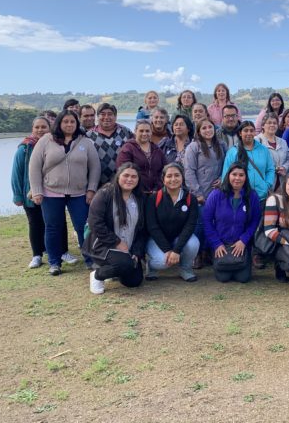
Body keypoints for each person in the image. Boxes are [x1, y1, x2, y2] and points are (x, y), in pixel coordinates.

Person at [29, 109, 101, 276]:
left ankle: (90, 259)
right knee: (53, 227)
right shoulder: (46, 140)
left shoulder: (85, 142)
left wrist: (91, 189)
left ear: (77, 123)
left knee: (83, 226)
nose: (69, 125)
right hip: (51, 192)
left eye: (72, 122)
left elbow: (95, 167)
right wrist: (37, 191)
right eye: (65, 121)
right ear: (59, 123)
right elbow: (34, 166)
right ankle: (54, 262)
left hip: (79, 193)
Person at [12, 116, 72, 269]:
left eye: (43, 127)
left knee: (58, 222)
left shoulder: (55, 144)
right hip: (31, 193)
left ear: (50, 128)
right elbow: (16, 173)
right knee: (35, 223)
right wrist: (17, 195)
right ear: (32, 129)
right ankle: (37, 255)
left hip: (52, 192)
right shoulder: (25, 148)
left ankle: (63, 251)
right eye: (37, 127)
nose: (40, 130)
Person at [83, 163, 146, 294]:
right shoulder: (104, 194)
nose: (129, 179)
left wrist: (136, 251)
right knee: (124, 264)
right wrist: (117, 242)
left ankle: (116, 269)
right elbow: (96, 223)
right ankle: (97, 275)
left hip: (128, 247)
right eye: (126, 175)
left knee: (134, 281)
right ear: (118, 176)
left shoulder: (140, 198)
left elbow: (142, 229)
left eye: (134, 176)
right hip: (103, 245)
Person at [202, 163, 262, 283]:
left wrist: (244, 240)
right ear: (228, 176)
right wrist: (216, 243)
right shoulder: (216, 195)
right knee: (223, 278)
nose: (237, 178)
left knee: (243, 278)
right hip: (221, 244)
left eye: (241, 175)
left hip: (241, 243)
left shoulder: (252, 196)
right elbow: (206, 221)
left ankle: (245, 262)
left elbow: (255, 221)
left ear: (246, 177)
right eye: (234, 174)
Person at [144, 163, 200, 282]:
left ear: (182, 177)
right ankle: (151, 266)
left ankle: (185, 269)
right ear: (163, 179)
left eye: (177, 175)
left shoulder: (191, 199)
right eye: (169, 176)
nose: (173, 179)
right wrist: (167, 250)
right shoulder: (154, 198)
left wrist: (177, 250)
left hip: (177, 238)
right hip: (156, 239)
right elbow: (152, 227)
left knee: (193, 244)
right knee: (163, 262)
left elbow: (190, 226)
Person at [184, 118, 227, 268]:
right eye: (204, 128)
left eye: (210, 127)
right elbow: (189, 171)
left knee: (216, 223)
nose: (208, 130)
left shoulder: (221, 145)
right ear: (198, 131)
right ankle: (197, 254)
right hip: (200, 193)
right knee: (200, 224)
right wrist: (197, 193)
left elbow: (226, 166)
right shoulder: (193, 147)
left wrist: (222, 179)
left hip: (217, 193)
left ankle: (209, 251)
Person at [86, 103, 133, 186]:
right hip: (97, 183)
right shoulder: (89, 135)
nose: (106, 117)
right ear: (97, 117)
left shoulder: (126, 132)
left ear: (115, 116)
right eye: (103, 114)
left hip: (123, 183)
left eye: (110, 114)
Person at [116, 119, 167, 195]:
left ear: (151, 132)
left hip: (156, 193)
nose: (144, 133)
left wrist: (157, 187)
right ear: (135, 131)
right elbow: (123, 172)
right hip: (135, 192)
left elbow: (164, 170)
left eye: (147, 131)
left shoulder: (157, 150)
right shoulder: (128, 149)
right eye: (141, 131)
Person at [255, 112, 289, 190]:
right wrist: (274, 168)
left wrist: (284, 168)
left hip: (281, 183)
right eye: (269, 123)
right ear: (263, 125)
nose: (272, 125)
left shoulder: (283, 142)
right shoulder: (256, 141)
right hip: (263, 183)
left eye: (275, 123)